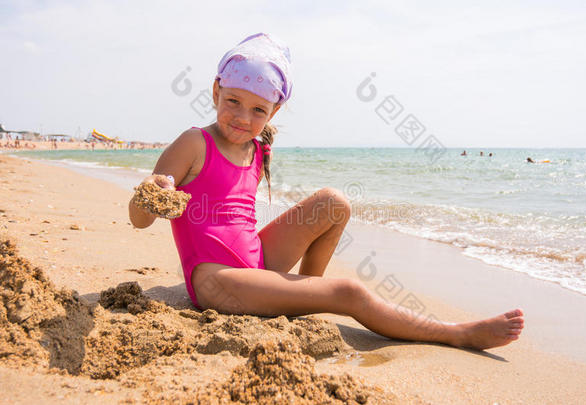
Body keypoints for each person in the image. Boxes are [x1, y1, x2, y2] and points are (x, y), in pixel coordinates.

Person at [128, 33, 523, 350]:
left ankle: (304, 297)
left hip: (256, 262)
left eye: (257, 110)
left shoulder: (257, 146)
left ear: (274, 111)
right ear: (216, 90)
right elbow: (139, 220)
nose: (242, 118)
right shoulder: (194, 143)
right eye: (233, 101)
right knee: (349, 292)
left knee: (334, 203)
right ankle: (455, 332)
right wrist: (151, 192)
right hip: (215, 279)